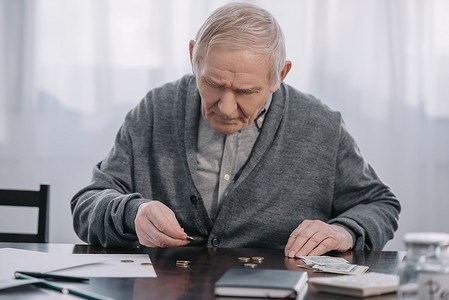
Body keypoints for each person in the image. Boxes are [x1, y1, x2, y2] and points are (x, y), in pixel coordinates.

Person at [71, 3, 400, 257]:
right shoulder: (157, 109)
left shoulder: (319, 125)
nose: (226, 107)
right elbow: (87, 204)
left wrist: (345, 232)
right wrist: (132, 213)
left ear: (280, 75)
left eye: (245, 91)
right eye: (211, 83)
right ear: (192, 57)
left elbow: (380, 204)